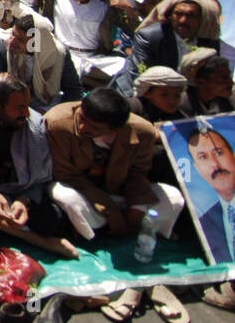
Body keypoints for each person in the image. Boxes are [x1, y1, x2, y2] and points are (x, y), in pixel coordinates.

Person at [44, 87, 185, 245]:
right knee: (66, 197)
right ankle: (96, 231)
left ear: (116, 129)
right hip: (82, 190)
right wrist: (111, 210)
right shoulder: (59, 123)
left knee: (174, 198)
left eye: (94, 127)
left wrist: (136, 208)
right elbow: (64, 173)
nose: (83, 127)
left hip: (118, 190)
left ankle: (134, 228)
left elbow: (138, 173)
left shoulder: (143, 132)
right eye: (82, 119)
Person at [0, 73, 78, 258]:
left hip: (13, 189)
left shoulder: (33, 124)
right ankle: (35, 239)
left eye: (27, 105)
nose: (26, 113)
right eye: (19, 107)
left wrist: (23, 201)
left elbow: (40, 178)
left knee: (51, 219)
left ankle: (8, 224)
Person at [0, 15, 82, 115]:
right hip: (10, 104)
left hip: (46, 103)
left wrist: (55, 113)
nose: (12, 42)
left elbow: (74, 91)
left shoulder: (58, 54)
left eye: (20, 40)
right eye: (13, 34)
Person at [132, 0, 220, 76]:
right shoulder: (150, 37)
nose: (183, 20)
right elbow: (142, 75)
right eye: (178, 14)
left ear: (202, 19)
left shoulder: (209, 41)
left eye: (191, 16)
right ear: (170, 16)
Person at [184, 123, 234, 263]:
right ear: (197, 168)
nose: (215, 164)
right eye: (203, 157)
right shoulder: (204, 222)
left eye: (218, 153)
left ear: (233, 156)